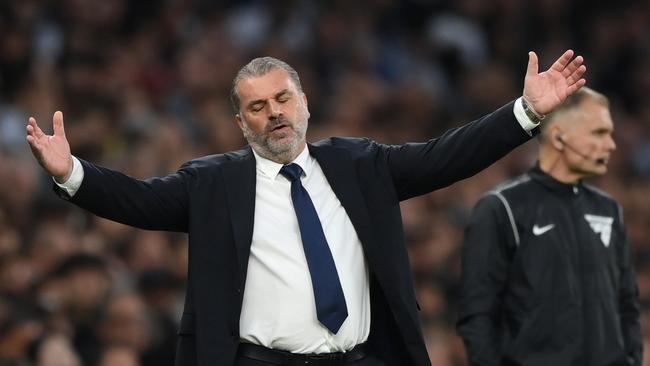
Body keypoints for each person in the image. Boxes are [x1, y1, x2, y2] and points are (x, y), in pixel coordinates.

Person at [27, 50, 586, 366]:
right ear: (241, 123)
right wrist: (70, 173)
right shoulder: (214, 184)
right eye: (257, 107)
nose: (273, 113)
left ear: (303, 102)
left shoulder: (359, 164)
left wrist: (524, 113)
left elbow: (448, 158)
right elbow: (139, 202)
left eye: (282, 98)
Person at [456, 87, 642, 366]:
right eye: (598, 133)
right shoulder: (502, 208)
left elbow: (627, 305)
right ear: (558, 136)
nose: (610, 145)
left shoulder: (608, 210)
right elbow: (477, 315)